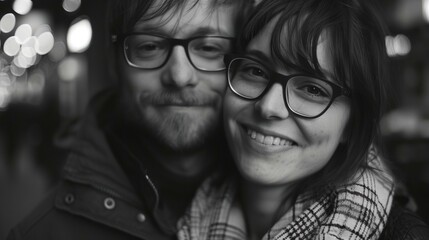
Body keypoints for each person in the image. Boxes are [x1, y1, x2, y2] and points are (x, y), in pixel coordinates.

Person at [7, 0, 252, 239]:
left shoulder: (281, 207)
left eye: (208, 48)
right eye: (149, 47)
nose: (179, 75)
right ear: (114, 63)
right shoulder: (40, 233)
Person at [177, 0, 397, 239]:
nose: (268, 107)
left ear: (353, 125)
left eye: (313, 89)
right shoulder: (189, 210)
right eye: (256, 71)